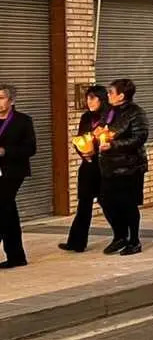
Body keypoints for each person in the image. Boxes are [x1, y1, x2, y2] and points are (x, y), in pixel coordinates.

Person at [99, 79, 149, 256]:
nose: (108, 95)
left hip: (129, 166)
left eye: (111, 92)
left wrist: (114, 145)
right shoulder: (109, 111)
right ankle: (119, 235)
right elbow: (103, 128)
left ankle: (134, 241)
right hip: (109, 165)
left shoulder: (136, 113)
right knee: (106, 201)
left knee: (128, 204)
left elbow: (139, 137)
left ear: (121, 95)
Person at [59, 85, 107, 253]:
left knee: (107, 203)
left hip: (105, 166)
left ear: (102, 99)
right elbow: (80, 138)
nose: (89, 102)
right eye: (87, 98)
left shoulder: (110, 116)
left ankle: (123, 235)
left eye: (93, 98)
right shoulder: (86, 117)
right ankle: (76, 242)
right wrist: (83, 152)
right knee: (84, 205)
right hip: (88, 165)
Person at [0, 84, 36, 269]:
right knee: (8, 211)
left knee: (2, 206)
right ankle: (16, 256)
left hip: (13, 171)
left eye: (1, 98)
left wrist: (5, 151)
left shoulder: (23, 121)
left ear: (11, 100)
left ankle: (15, 255)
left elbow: (30, 148)